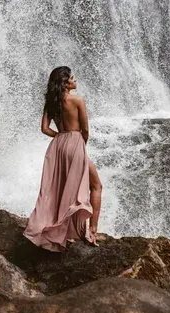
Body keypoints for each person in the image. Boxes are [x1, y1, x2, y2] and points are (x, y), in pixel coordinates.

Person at [23, 66, 102, 252]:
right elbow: (85, 130)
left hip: (58, 144)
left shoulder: (51, 102)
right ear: (65, 83)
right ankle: (92, 230)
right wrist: (79, 145)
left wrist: (60, 137)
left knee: (59, 187)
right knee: (96, 185)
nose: (76, 80)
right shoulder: (77, 100)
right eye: (73, 78)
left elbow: (44, 128)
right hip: (75, 142)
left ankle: (59, 228)